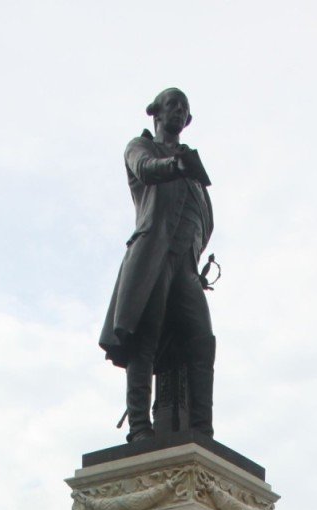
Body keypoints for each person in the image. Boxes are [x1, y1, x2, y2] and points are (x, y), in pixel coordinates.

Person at [99, 87, 215, 443]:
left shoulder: (195, 178)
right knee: (144, 340)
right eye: (172, 105)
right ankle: (139, 428)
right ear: (156, 113)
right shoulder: (142, 147)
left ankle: (201, 428)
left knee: (201, 340)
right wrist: (175, 164)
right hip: (153, 257)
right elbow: (146, 170)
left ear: (189, 119)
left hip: (185, 266)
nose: (178, 111)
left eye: (184, 108)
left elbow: (204, 221)